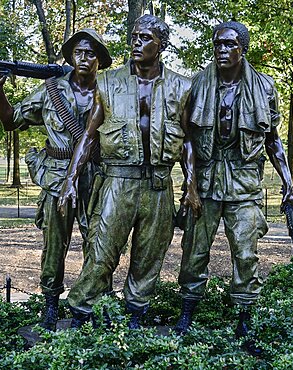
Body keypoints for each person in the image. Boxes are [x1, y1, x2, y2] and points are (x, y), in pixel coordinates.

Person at [58, 14, 201, 329]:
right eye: (134, 36)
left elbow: (188, 141)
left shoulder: (182, 86)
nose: (136, 43)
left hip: (159, 184)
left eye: (145, 38)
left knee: (150, 255)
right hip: (118, 181)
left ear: (161, 45)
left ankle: (136, 313)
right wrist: (70, 180)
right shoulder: (108, 83)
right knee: (102, 251)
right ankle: (82, 313)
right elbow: (89, 136)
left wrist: (190, 187)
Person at [175, 21, 293, 350]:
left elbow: (274, 142)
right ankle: (186, 313)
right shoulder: (197, 85)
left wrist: (288, 185)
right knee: (193, 251)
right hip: (204, 182)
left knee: (245, 255)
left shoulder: (265, 87)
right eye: (217, 44)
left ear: (242, 48)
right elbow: (186, 140)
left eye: (230, 45)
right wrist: (189, 186)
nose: (222, 50)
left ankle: (244, 320)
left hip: (245, 184)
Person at [0, 29, 112, 331]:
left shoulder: (110, 90)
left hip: (96, 177)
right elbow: (11, 122)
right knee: (55, 244)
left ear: (99, 59)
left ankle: (95, 304)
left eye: (90, 53)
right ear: (70, 57)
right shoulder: (50, 90)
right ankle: (51, 306)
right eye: (78, 52)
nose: (83, 58)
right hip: (57, 177)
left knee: (98, 244)